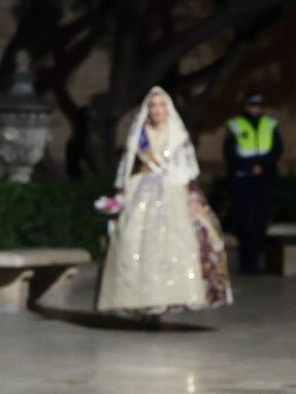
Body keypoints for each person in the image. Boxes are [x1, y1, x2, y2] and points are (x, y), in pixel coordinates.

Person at [96, 87, 231, 326]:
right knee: (135, 244)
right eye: (153, 105)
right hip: (142, 193)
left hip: (172, 193)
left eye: (161, 105)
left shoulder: (177, 134)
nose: (157, 110)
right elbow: (129, 166)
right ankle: (143, 305)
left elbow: (187, 171)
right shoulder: (140, 134)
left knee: (171, 247)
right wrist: (120, 197)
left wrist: (192, 200)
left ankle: (162, 304)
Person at [224, 92, 282, 274]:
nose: (256, 109)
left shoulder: (270, 125)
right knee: (242, 219)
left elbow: (277, 150)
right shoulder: (235, 125)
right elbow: (229, 153)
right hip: (243, 178)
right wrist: (249, 167)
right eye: (252, 105)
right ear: (246, 107)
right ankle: (245, 260)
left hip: (264, 179)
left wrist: (262, 166)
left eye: (259, 105)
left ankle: (253, 262)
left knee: (259, 221)